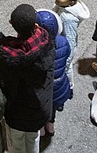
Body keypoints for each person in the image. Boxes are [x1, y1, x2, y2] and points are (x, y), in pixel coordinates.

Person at [0, 4, 54, 153]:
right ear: (35, 25)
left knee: (16, 143)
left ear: (11, 24)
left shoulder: (6, 54)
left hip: (16, 113)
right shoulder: (47, 43)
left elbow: (2, 79)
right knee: (33, 140)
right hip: (39, 110)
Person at [35, 9, 70, 137]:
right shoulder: (63, 41)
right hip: (59, 84)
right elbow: (67, 56)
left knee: (41, 107)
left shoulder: (38, 48)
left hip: (45, 87)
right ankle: (51, 126)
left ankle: (41, 129)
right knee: (52, 108)